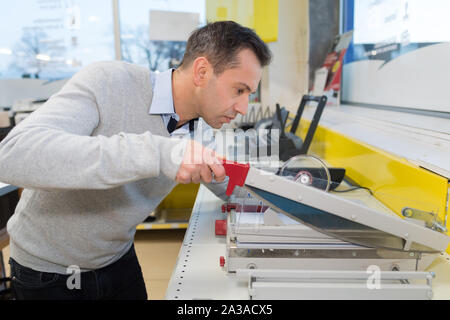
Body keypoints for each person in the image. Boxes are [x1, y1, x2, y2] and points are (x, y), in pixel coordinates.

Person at [0, 21, 272, 300]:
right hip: (49, 271)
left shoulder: (200, 133)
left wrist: (296, 196)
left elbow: (233, 186)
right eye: (239, 90)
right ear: (202, 72)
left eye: (249, 94)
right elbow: (12, 154)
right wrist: (160, 152)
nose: (243, 108)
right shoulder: (110, 81)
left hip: (117, 258)